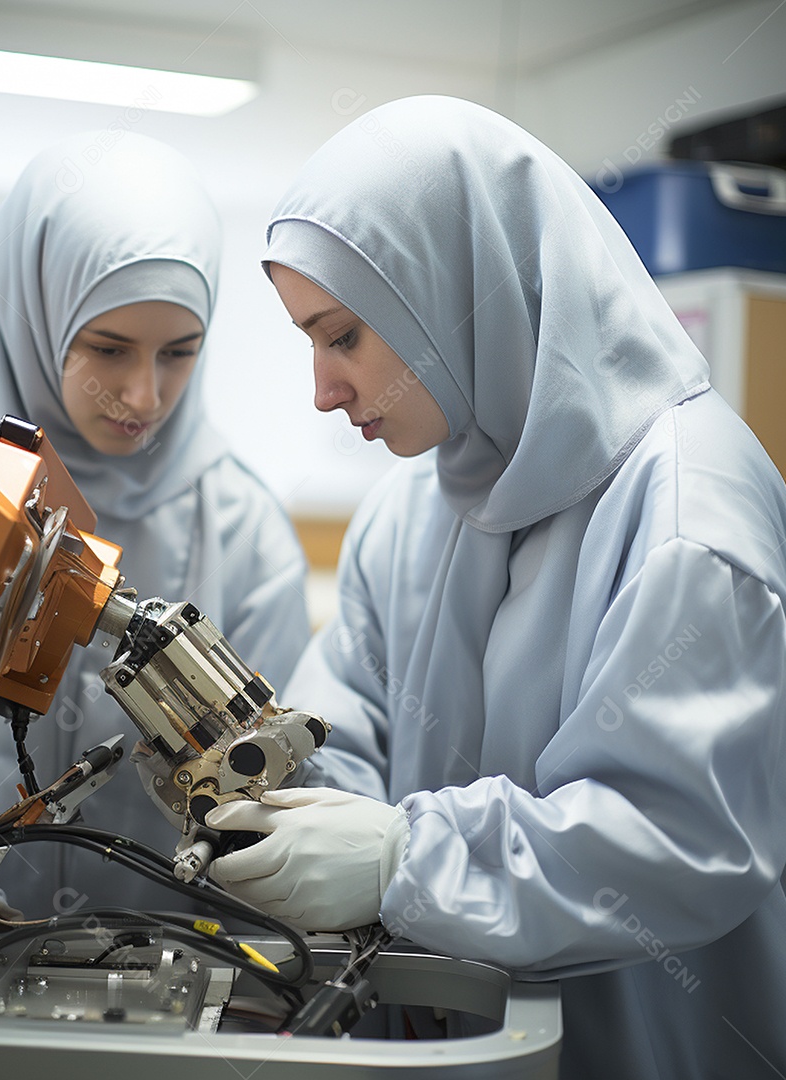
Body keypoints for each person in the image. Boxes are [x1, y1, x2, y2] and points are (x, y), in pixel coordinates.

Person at [201, 97, 786, 1078]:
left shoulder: (691, 510)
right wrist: (296, 813)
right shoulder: (413, 505)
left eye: (343, 335)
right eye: (307, 339)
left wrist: (405, 863)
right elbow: (344, 724)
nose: (322, 388)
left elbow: (678, 844)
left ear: (454, 293)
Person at [0, 133, 311, 916]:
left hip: (157, 984)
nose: (142, 395)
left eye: (179, 352)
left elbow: (278, 793)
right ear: (36, 310)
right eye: (109, 347)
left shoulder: (244, 529)